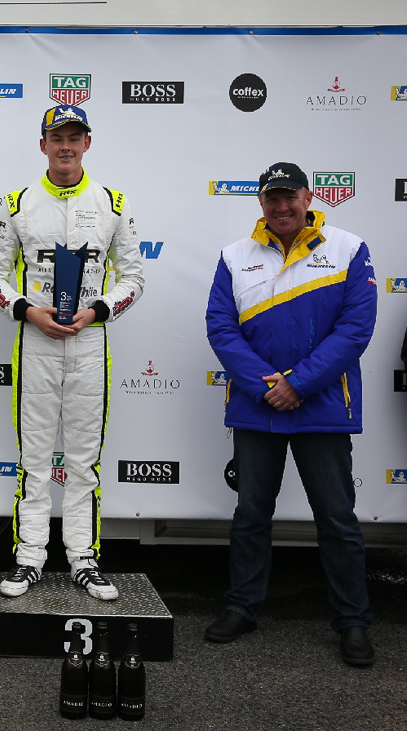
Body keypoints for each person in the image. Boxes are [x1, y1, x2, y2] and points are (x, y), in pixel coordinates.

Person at [204, 162, 377, 666]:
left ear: (308, 198)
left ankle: (353, 622)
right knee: (251, 515)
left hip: (322, 405)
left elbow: (356, 327)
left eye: (290, 197)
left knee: (337, 519)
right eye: (272, 198)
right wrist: (270, 387)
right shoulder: (234, 256)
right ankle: (241, 607)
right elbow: (221, 328)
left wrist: (298, 383)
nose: (281, 207)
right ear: (261, 203)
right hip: (258, 406)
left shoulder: (348, 248)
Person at [0, 105, 144, 600]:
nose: (66, 147)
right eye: (57, 138)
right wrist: (28, 311)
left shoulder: (113, 203)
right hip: (37, 343)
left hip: (90, 343)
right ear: (43, 145)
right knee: (33, 459)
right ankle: (29, 558)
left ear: (87, 143)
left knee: (83, 463)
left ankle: (83, 559)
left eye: (75, 138)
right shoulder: (18, 204)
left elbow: (134, 279)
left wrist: (97, 311)